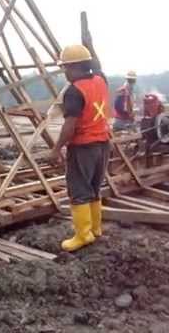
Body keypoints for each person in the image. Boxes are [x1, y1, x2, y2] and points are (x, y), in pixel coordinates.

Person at [50, 44, 110, 252]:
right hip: (102, 143)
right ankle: (95, 229)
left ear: (75, 67)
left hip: (83, 146)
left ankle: (83, 235)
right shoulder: (101, 81)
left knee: (78, 189)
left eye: (66, 67)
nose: (65, 72)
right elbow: (98, 66)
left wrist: (57, 149)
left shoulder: (74, 91)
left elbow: (70, 126)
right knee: (94, 186)